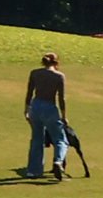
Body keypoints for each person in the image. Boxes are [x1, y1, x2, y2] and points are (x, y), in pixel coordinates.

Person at [21, 52, 73, 181]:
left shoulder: (35, 73)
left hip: (36, 106)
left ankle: (33, 171)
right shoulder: (59, 76)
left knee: (37, 139)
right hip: (50, 107)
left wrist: (26, 110)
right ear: (56, 63)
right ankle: (58, 161)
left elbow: (29, 92)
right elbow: (61, 98)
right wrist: (64, 115)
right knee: (60, 139)